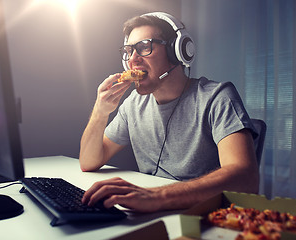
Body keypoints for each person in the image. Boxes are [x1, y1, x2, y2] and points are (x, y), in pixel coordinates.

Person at [79, 12, 259, 213]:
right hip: (151, 212)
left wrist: (157, 196)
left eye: (144, 47)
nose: (132, 60)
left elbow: (246, 178)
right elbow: (89, 161)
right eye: (129, 51)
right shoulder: (133, 104)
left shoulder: (217, 97)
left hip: (202, 216)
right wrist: (100, 112)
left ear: (178, 50)